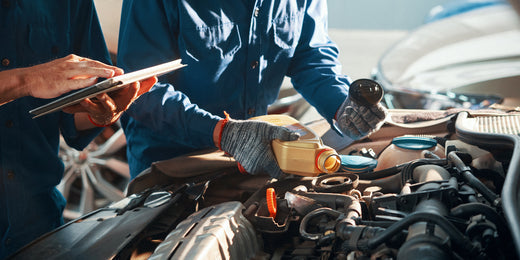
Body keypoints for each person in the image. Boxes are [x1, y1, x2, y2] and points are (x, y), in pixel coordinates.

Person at [117, 0, 387, 179]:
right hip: (174, 166)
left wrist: (342, 105)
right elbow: (141, 91)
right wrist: (223, 132)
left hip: (259, 157)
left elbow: (310, 56)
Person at [0, 1, 156, 257]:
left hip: (38, 224)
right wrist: (28, 80)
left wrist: (104, 111)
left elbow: (73, 115)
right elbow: (36, 81)